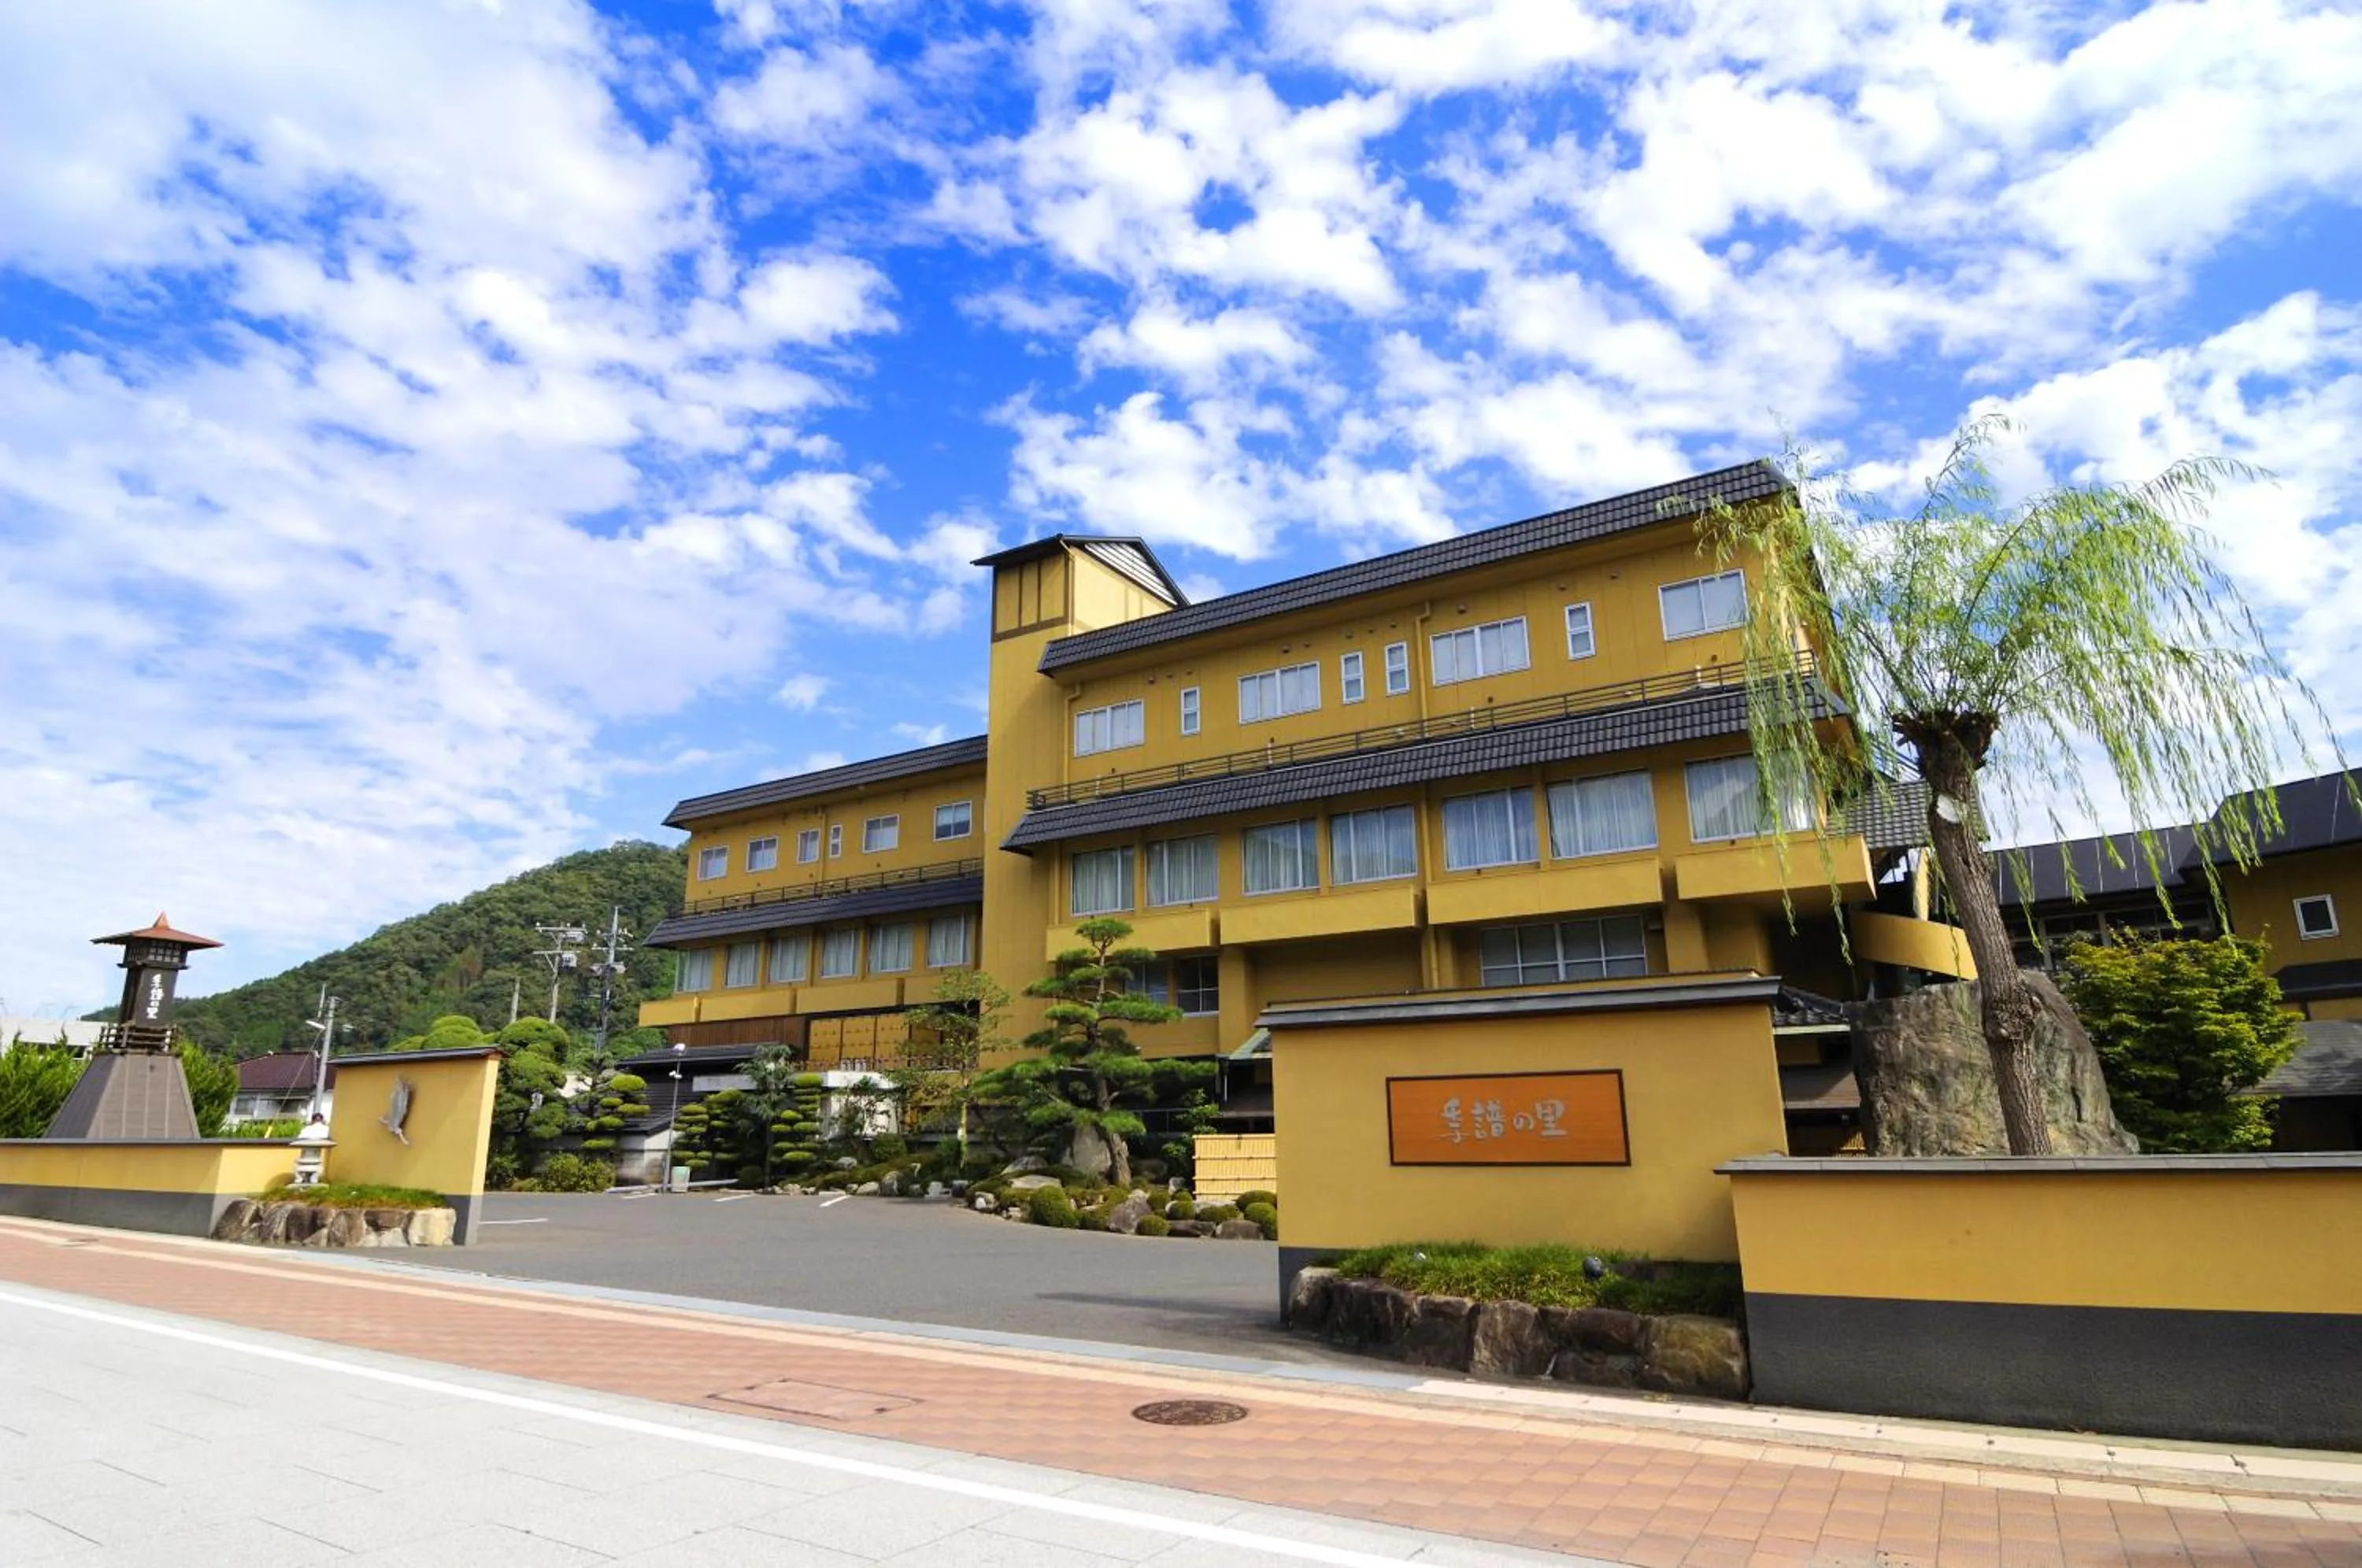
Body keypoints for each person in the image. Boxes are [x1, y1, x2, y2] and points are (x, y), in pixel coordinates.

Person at [292, 1111, 331, 1185]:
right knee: (315, 1166)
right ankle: (313, 1179)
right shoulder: (326, 1129)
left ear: (312, 1120)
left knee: (301, 1165)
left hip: (306, 1154)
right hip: (316, 1155)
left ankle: (302, 1179)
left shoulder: (307, 1129)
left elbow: (300, 1138)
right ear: (322, 1120)